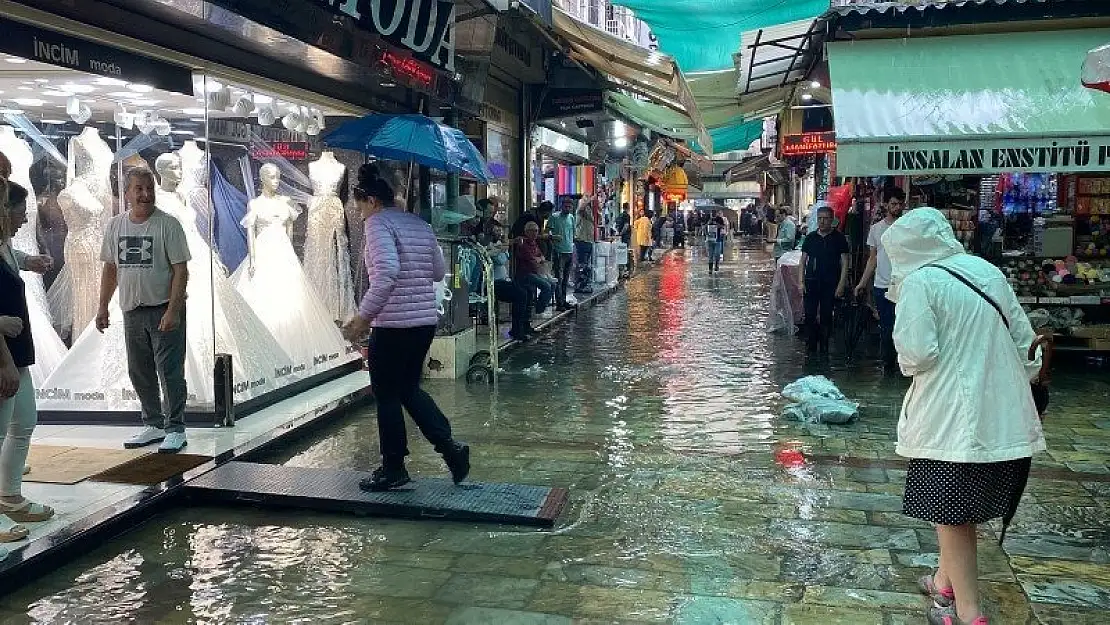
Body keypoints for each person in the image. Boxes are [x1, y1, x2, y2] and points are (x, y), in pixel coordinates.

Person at [885, 208, 1044, 625]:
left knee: (952, 516)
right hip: (1003, 414)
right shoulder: (985, 270)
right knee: (955, 511)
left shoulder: (920, 283)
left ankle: (968, 613)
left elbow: (917, 354)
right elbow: (1026, 344)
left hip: (948, 419)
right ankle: (942, 581)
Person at [341, 164, 470, 492]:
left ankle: (393, 467)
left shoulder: (377, 224)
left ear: (371, 200)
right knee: (408, 389)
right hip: (423, 323)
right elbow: (439, 271)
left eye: (358, 205)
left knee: (386, 394)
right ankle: (451, 450)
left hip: (394, 324)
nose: (358, 213)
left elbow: (386, 274)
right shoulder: (418, 224)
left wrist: (362, 319)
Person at [97, 168, 191, 453]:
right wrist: (103, 306)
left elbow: (181, 271)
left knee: (170, 371)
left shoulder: (168, 225)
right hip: (132, 310)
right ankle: (153, 423)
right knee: (139, 371)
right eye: (138, 189)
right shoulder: (115, 226)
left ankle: (176, 427)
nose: (145, 195)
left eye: (149, 188)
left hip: (163, 308)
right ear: (126, 193)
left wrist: (173, 311)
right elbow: (111, 268)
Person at [1, 178, 55, 541]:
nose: (22, 220)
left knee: (24, 422)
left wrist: (27, 260)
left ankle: (9, 495)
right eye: (19, 213)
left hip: (15, 351)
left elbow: (7, 259)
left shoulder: (4, 244)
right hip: (3, 354)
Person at [854, 187, 906, 374]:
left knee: (904, 326)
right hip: (882, 286)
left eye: (900, 204)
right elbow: (872, 259)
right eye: (893, 204)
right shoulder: (876, 230)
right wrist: (861, 283)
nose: (897, 207)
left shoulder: (908, 228)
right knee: (886, 327)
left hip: (905, 285)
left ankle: (903, 366)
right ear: (885, 205)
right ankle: (888, 366)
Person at [799, 205, 849, 356]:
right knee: (809, 315)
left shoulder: (839, 238)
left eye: (826, 219)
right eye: (819, 219)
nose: (822, 222)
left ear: (832, 220)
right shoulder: (811, 238)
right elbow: (803, 261)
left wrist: (841, 284)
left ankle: (825, 346)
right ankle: (811, 346)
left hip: (830, 283)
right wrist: (801, 282)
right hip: (811, 281)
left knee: (827, 315)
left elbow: (845, 262)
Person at [488, 225, 533, 341]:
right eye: (496, 230)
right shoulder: (489, 246)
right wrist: (504, 248)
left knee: (527, 290)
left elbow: (505, 256)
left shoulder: (499, 245)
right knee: (521, 294)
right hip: (493, 283)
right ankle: (517, 331)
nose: (500, 233)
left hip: (504, 280)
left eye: (500, 230)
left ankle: (525, 325)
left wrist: (504, 248)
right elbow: (501, 260)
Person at [514, 221, 554, 317]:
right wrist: (539, 259)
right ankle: (538, 311)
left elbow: (542, 257)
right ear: (526, 232)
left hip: (536, 272)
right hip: (525, 273)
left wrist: (539, 259)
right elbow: (531, 259)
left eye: (536, 231)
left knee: (552, 285)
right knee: (547, 287)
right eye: (532, 231)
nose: (535, 233)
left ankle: (540, 307)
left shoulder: (534, 243)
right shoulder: (523, 243)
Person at [546, 199, 576, 310]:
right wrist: (553, 238)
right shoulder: (554, 217)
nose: (567, 208)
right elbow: (547, 231)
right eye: (566, 206)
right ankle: (559, 303)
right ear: (562, 206)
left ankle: (563, 300)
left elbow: (573, 233)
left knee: (565, 279)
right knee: (559, 277)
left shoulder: (571, 218)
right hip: (559, 251)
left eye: (569, 207)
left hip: (569, 250)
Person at [574, 197, 595, 294]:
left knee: (586, 266)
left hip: (588, 242)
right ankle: (579, 286)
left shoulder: (589, 212)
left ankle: (584, 285)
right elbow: (581, 207)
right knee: (582, 265)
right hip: (581, 241)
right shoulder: (580, 212)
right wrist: (589, 199)